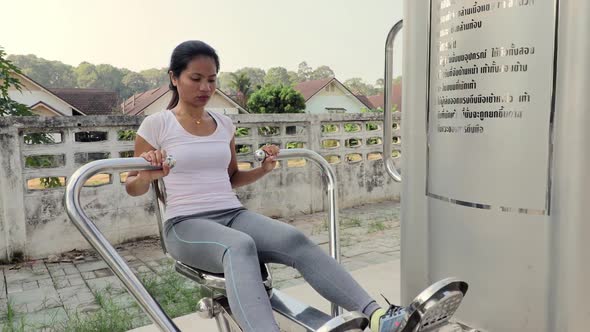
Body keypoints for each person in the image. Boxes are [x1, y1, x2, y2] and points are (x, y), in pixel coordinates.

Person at [125, 40, 409, 332]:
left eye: (211, 80)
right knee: (239, 246)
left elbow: (232, 177)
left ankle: (378, 318)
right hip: (185, 225)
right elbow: (132, 185)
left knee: (293, 239)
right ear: (174, 77)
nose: (205, 88)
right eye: (195, 79)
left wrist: (263, 169)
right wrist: (148, 174)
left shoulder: (223, 124)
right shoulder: (157, 124)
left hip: (232, 214)